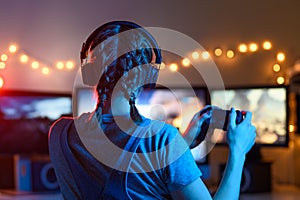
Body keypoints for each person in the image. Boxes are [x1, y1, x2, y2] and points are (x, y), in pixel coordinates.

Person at [48, 20, 256, 200]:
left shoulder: (59, 133)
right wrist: (238, 151)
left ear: (88, 71)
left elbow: (138, 167)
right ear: (148, 77)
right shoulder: (163, 140)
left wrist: (180, 146)